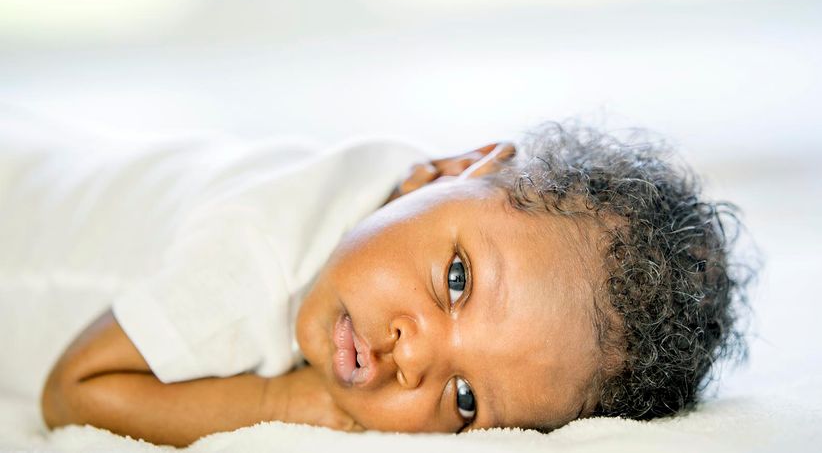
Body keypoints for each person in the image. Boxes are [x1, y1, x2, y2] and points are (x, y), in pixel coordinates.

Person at [38, 122, 749, 447]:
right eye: (459, 280)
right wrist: (278, 402)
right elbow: (73, 390)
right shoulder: (255, 248)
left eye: (464, 400)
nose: (416, 357)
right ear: (453, 167)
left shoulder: (407, 211)